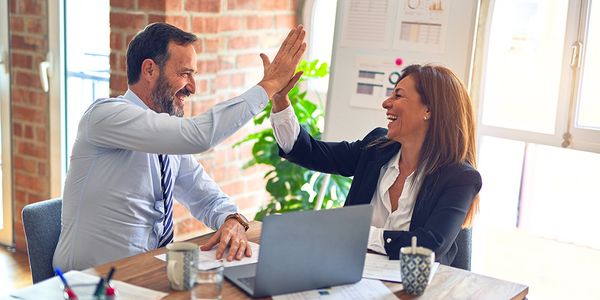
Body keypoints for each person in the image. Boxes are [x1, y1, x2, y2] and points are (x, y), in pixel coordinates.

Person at [53, 22, 306, 271]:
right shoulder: (106, 116)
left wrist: (232, 219)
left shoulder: (165, 139)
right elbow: (199, 136)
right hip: (88, 284)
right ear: (150, 70)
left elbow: (204, 195)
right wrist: (269, 86)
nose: (192, 88)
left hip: (146, 274)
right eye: (185, 73)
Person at [270, 64, 481, 265]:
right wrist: (280, 100)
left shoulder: (460, 178)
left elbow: (429, 246)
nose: (386, 103)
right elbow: (309, 152)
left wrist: (358, 233)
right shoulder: (376, 148)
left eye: (398, 95)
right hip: (351, 276)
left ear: (429, 110)